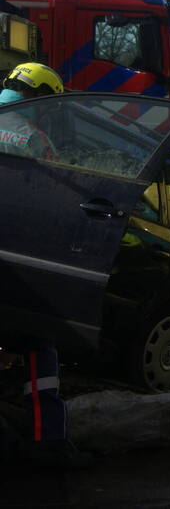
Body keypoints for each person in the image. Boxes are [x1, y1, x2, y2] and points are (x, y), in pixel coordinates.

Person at [0, 62, 75, 464]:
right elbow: (55, 199)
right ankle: (48, 439)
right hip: (16, 256)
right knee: (38, 340)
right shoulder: (33, 138)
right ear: (38, 97)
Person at [0, 62, 63, 159]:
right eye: (50, 104)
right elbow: (58, 171)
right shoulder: (33, 137)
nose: (47, 110)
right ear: (41, 96)